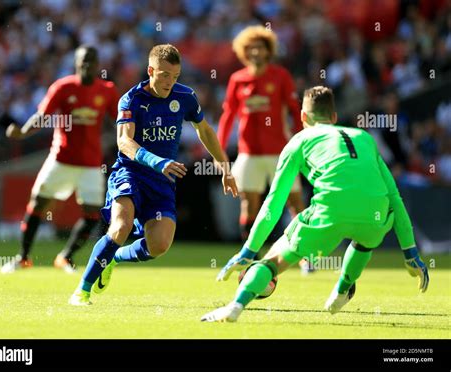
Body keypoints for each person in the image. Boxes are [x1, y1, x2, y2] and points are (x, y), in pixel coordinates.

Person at [201, 86, 429, 322]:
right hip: (376, 217)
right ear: (334, 117)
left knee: (272, 262)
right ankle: (343, 288)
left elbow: (274, 202)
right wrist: (410, 252)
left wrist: (248, 251)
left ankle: (236, 306)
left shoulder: (298, 141)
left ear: (302, 117)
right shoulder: (365, 138)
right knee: (364, 239)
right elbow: (395, 197)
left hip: (329, 212)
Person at [69, 44, 238, 306]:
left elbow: (204, 130)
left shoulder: (185, 97)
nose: (170, 82)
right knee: (121, 227)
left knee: (158, 246)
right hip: (130, 173)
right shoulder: (131, 99)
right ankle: (82, 290)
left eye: (175, 76)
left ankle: (114, 257)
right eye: (164, 75)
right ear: (150, 71)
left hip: (162, 182)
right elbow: (124, 142)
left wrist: (224, 165)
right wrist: (156, 161)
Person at [1, 45, 119, 274]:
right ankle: (23, 257)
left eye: (91, 61)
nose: (87, 65)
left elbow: (120, 120)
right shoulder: (63, 87)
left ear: (98, 65)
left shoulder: (107, 90)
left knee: (92, 214)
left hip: (91, 164)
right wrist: (24, 132)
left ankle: (65, 257)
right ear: (75, 63)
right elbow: (42, 116)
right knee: (37, 204)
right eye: (83, 61)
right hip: (61, 159)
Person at [217, 25, 310, 272]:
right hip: (248, 153)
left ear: (268, 50)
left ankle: (305, 256)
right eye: (250, 48)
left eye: (259, 47)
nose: (255, 52)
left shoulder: (280, 76)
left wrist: (302, 139)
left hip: (280, 152)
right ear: (243, 52)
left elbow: (294, 109)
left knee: (295, 203)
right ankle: (250, 256)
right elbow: (228, 115)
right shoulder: (238, 79)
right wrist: (219, 147)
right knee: (249, 204)